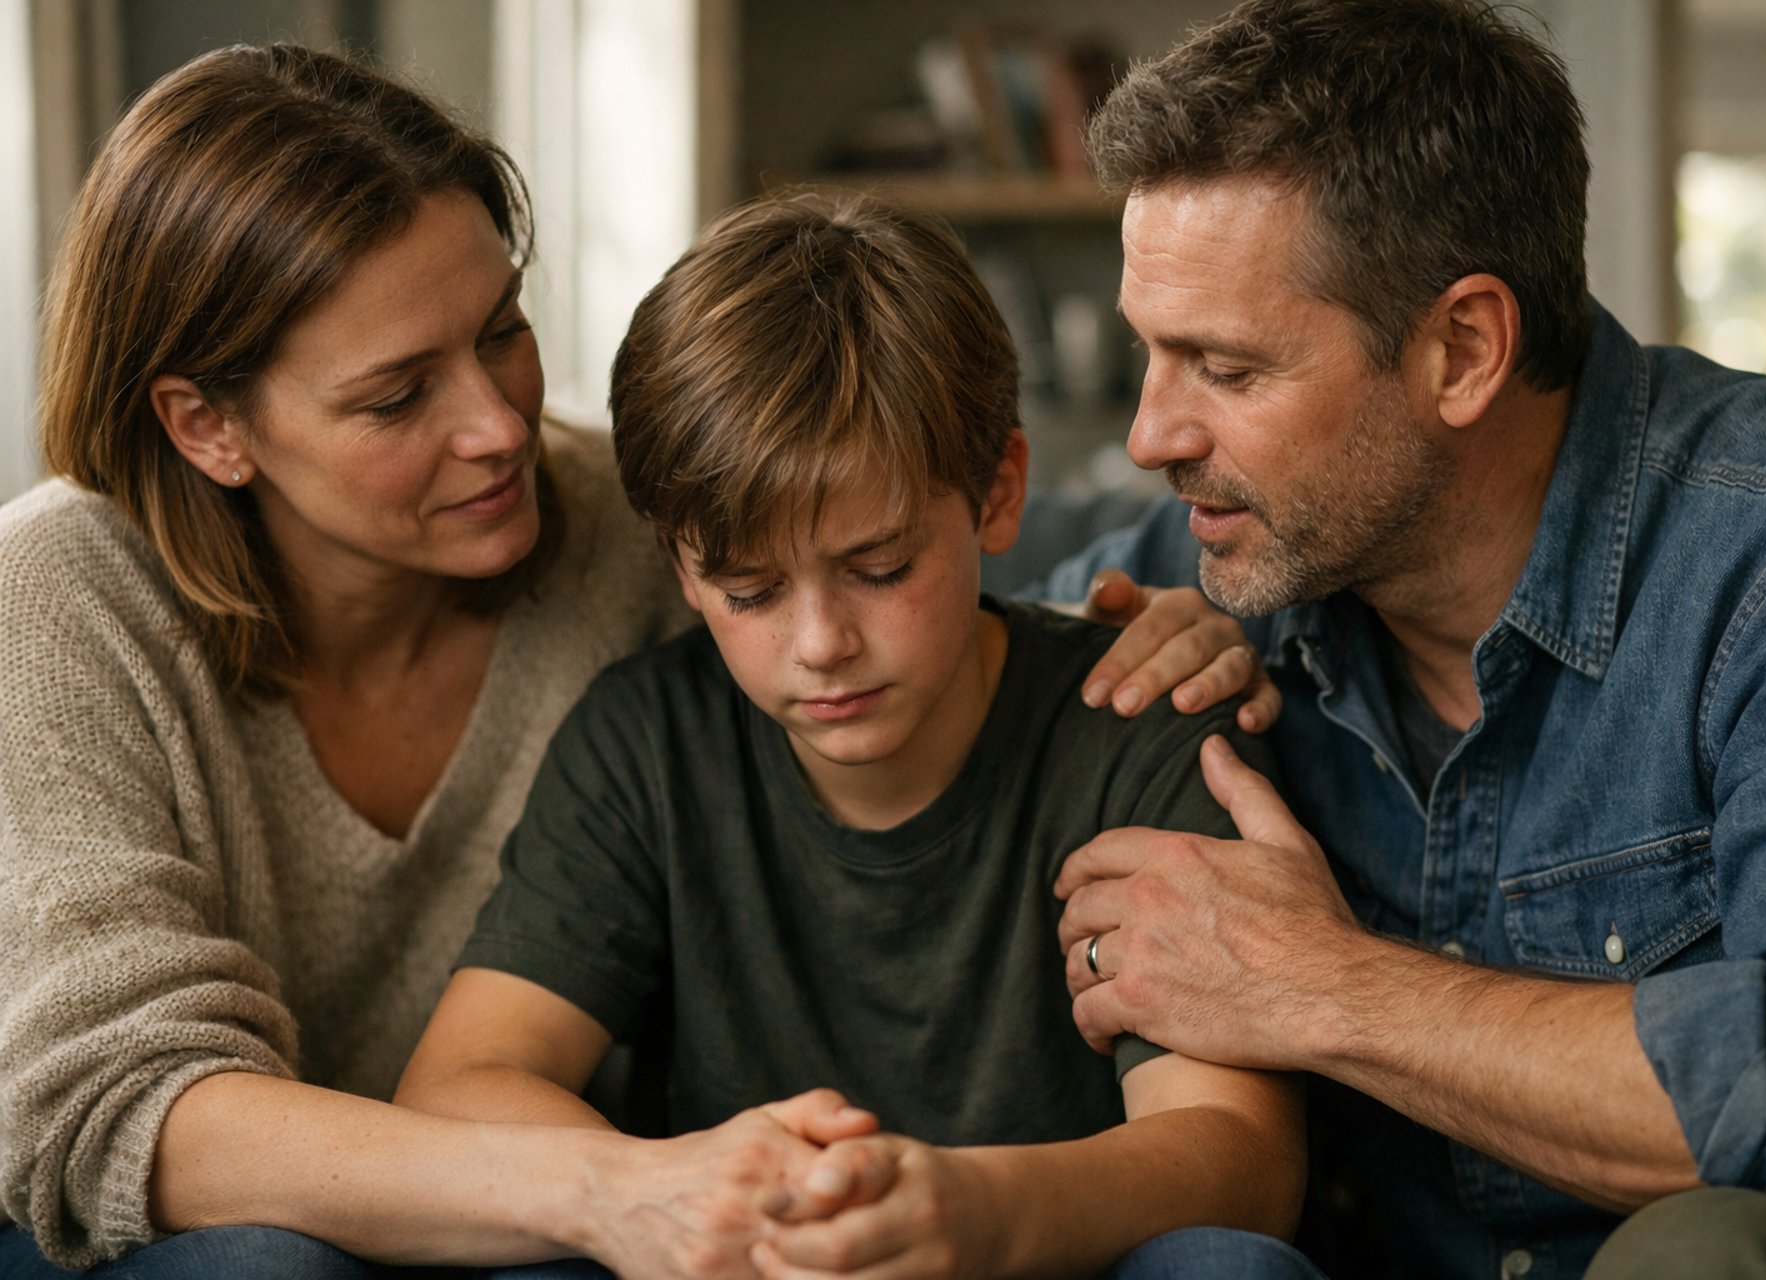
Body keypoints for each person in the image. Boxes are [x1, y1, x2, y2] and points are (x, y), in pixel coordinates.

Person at [1035, 2, 1766, 1278]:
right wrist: (1089, 666)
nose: (1149, 434)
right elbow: (886, 653)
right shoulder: (1208, 569)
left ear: (1463, 349)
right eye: (1148, 355)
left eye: (1222, 368)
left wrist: (1317, 983)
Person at [0, 43, 897, 1280]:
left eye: (504, 331)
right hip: (153, 1236)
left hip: (512, 1209)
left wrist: (1147, 623)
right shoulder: (52, 597)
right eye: (396, 397)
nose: (497, 427)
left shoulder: (621, 540)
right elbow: (129, 1105)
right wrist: (616, 1186)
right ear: (208, 425)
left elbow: (899, 611)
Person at [394, 190, 1319, 1280]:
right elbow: (457, 1087)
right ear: (680, 567)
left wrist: (974, 1211)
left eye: (881, 570)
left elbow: (1241, 1157)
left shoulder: (1140, 723)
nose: (822, 642)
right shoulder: (646, 740)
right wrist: (691, 1194)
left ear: (997, 495)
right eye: (748, 591)